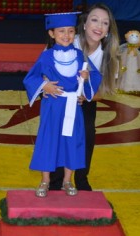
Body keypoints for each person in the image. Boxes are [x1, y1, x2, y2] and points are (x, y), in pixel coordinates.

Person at [23, 12, 102, 197]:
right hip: (52, 107)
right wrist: (44, 86)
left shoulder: (80, 56)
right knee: (48, 141)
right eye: (61, 31)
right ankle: (45, 180)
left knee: (71, 142)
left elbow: (95, 75)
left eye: (70, 31)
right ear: (52, 34)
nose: (66, 35)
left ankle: (67, 181)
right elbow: (31, 78)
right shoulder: (46, 57)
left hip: (73, 106)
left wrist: (87, 77)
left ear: (75, 33)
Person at [48, 3, 120, 191]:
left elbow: (103, 92)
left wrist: (86, 97)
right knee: (58, 135)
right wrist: (47, 86)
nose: (99, 26)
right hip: (59, 97)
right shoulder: (67, 39)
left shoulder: (109, 56)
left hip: (86, 100)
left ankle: (80, 179)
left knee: (86, 135)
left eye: (105, 23)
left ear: (108, 30)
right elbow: (44, 68)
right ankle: (55, 182)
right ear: (85, 24)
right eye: (94, 20)